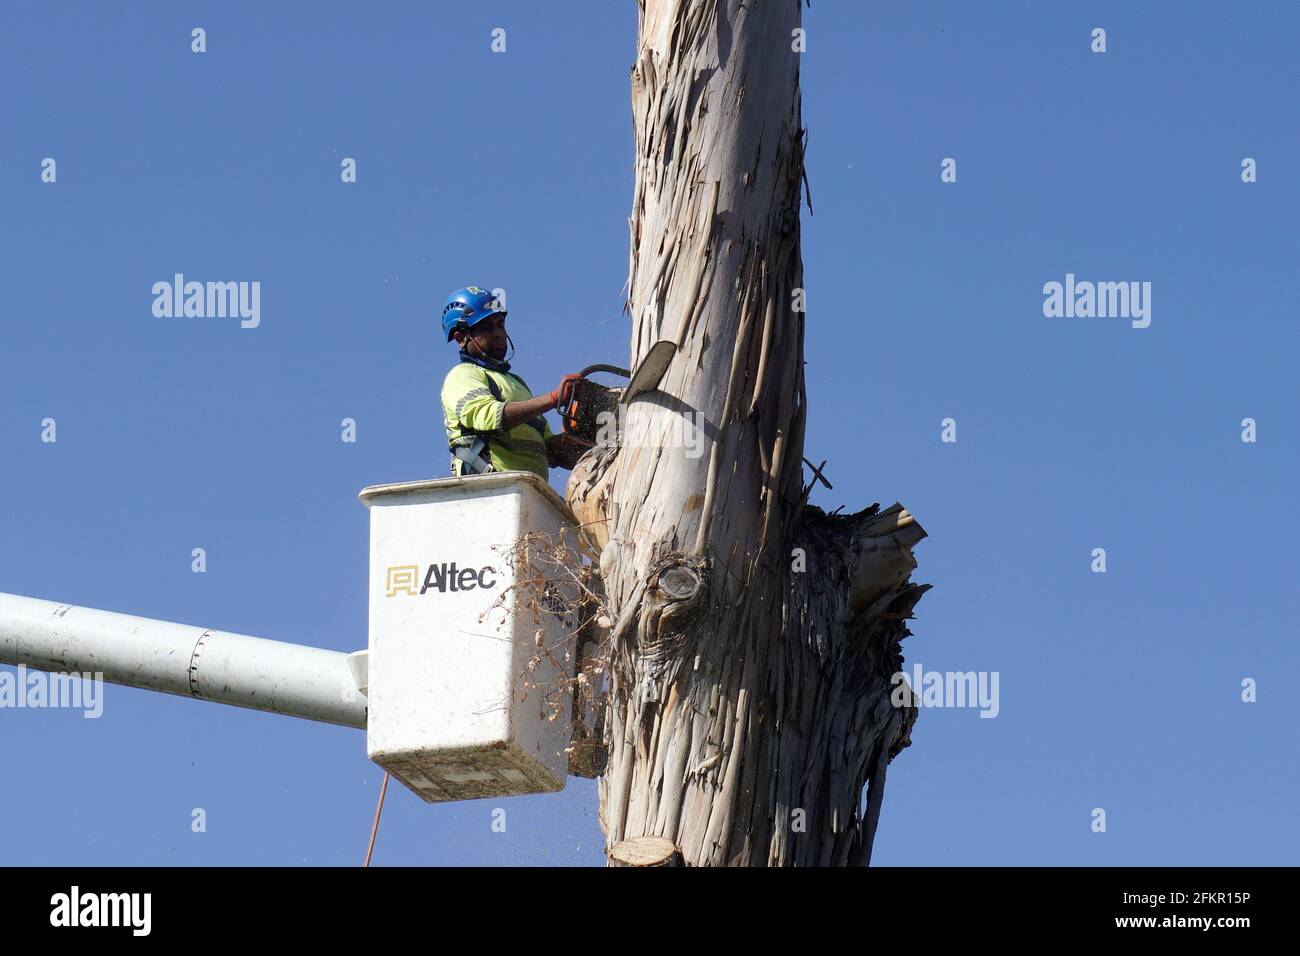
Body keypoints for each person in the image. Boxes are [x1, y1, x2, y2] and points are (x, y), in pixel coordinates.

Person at [439, 285, 585, 480]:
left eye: (500, 324)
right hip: (489, 488)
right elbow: (491, 416)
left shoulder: (515, 383)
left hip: (527, 491)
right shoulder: (462, 375)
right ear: (460, 338)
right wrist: (554, 398)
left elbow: (550, 448)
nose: (498, 333)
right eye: (486, 327)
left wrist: (584, 435)